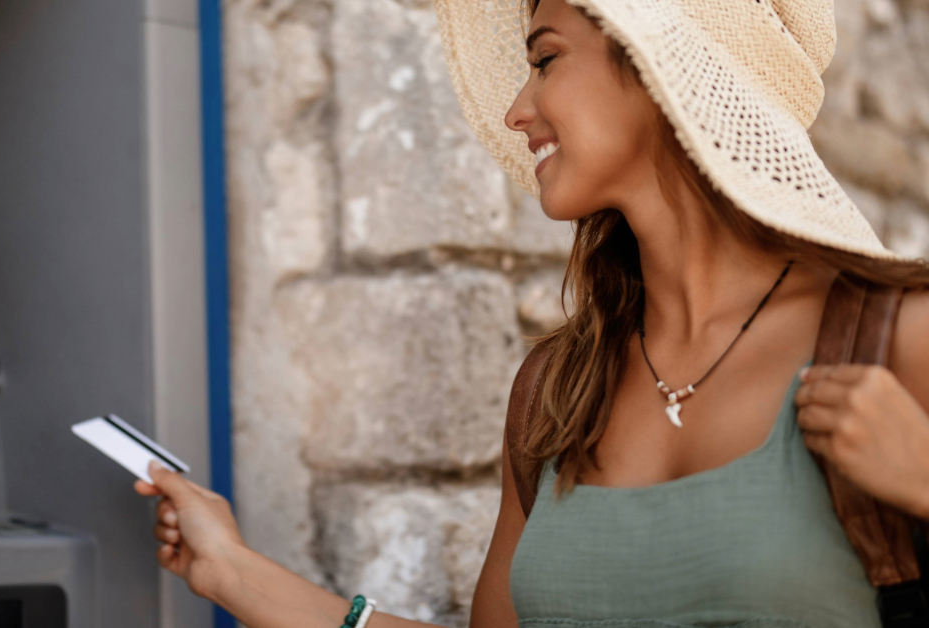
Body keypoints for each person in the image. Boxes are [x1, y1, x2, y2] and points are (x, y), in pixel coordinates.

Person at [135, 0, 929, 625]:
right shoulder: (557, 390)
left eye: (545, 60)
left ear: (655, 66)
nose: (518, 110)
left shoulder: (898, 339)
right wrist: (232, 571)